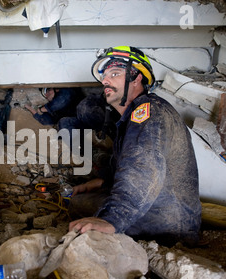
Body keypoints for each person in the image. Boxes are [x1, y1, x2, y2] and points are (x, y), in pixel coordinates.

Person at [68, 46, 202, 247]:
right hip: (161, 208)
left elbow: (142, 170)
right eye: (105, 76)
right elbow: (125, 169)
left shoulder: (148, 113)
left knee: (79, 206)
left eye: (115, 74)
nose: (105, 81)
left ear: (137, 78)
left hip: (171, 222)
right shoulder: (133, 117)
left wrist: (112, 219)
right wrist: (95, 184)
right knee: (83, 200)